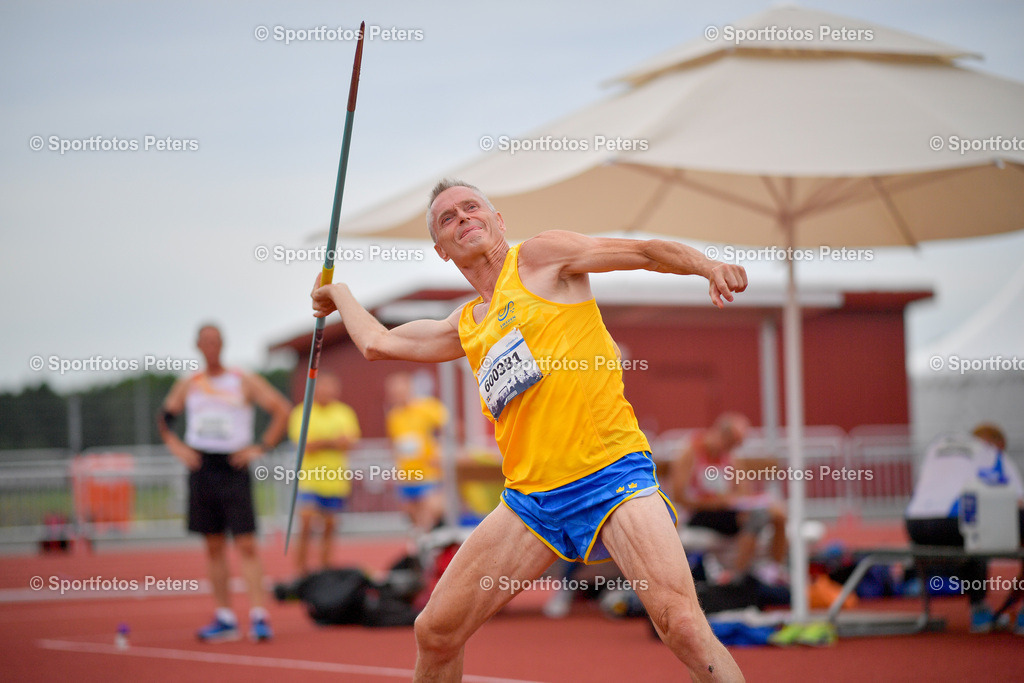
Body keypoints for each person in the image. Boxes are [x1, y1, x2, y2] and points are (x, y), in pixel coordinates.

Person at [311, 179, 747, 681]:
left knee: (682, 626)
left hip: (611, 475)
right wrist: (339, 294)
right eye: (448, 218)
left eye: (471, 207)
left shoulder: (541, 258)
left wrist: (708, 266)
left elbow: (644, 251)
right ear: (442, 250)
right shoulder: (466, 325)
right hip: (531, 501)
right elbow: (378, 343)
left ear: (498, 220)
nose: (462, 217)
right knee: (435, 631)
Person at [158, 323, 291, 642]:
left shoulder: (242, 379)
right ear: (198, 346)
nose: (211, 346)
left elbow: (281, 409)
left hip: (234, 465)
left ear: (223, 344)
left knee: (246, 543)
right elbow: (165, 418)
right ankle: (225, 617)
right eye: (206, 341)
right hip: (202, 466)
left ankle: (259, 616)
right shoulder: (189, 383)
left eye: (216, 341)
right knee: (213, 545)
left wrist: (261, 446)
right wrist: (177, 447)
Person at [905, 423, 1024, 633]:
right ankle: (997, 611)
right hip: (955, 523)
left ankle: (980, 610)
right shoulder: (990, 452)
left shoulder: (938, 447)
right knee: (978, 532)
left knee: (975, 532)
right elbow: (1019, 501)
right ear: (997, 443)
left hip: (915, 526)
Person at [669, 413, 788, 584]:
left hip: (726, 511)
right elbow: (678, 496)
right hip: (700, 513)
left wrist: (733, 499)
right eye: (732, 444)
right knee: (756, 517)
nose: (733, 449)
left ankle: (773, 569)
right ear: (722, 435)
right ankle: (736, 577)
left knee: (778, 514)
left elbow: (743, 491)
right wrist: (716, 502)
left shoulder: (729, 457)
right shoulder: (691, 452)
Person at [287, 372, 360, 577]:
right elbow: (306, 446)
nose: (327, 392)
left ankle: (325, 570)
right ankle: (300, 571)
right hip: (310, 479)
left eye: (331, 387)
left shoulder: (344, 412)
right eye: (323, 387)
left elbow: (350, 443)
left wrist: (322, 442)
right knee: (306, 523)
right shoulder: (301, 412)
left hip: (335, 481)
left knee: (329, 526)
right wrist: (333, 442)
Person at [384, 372, 449, 534]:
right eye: (393, 393)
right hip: (406, 475)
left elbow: (450, 429)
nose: (397, 396)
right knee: (412, 516)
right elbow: (394, 443)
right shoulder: (393, 416)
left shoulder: (428, 407)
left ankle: (430, 540)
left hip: (428, 473)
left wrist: (441, 451)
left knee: (429, 512)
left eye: (400, 391)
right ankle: (422, 541)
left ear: (410, 388)